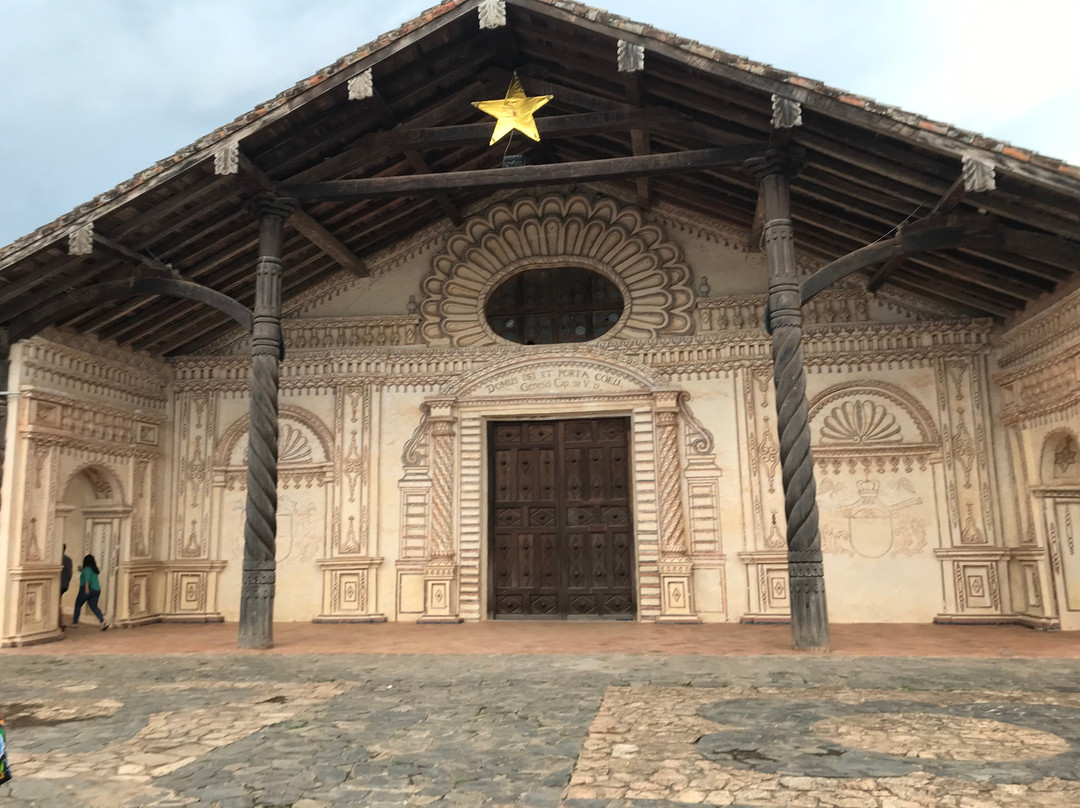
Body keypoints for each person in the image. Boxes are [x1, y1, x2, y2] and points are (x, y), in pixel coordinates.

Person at [72, 554, 108, 630]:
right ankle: (102, 621)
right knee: (94, 607)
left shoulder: (86, 569)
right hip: (97, 590)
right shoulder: (94, 569)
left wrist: (86, 589)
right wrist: (81, 570)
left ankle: (75, 622)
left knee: (78, 604)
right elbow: (89, 574)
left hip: (87, 589)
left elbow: (87, 580)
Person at [59, 545, 73, 629]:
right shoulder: (68, 559)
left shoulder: (58, 560)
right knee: (58, 603)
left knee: (56, 605)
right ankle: (60, 622)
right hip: (65, 584)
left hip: (58, 584)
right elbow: (70, 573)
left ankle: (59, 623)